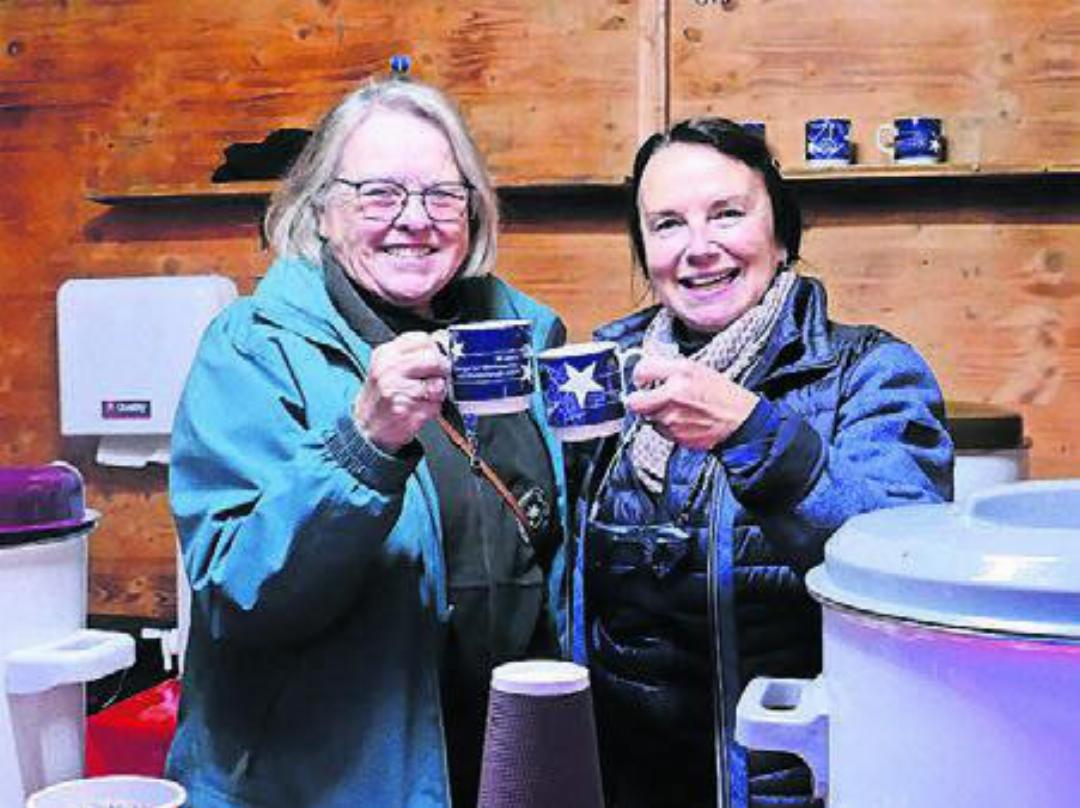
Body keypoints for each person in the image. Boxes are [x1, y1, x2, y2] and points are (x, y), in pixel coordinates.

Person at [167, 76, 569, 808]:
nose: (414, 220)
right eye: (380, 193)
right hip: (328, 785)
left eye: (443, 196)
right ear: (321, 210)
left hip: (507, 764)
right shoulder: (253, 349)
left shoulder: (524, 339)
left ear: (474, 213)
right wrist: (364, 443)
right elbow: (237, 596)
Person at [570, 118, 953, 808]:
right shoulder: (606, 380)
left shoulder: (869, 372)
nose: (699, 248)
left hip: (793, 787)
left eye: (727, 214)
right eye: (667, 225)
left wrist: (755, 433)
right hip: (624, 783)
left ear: (780, 236)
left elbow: (909, 570)